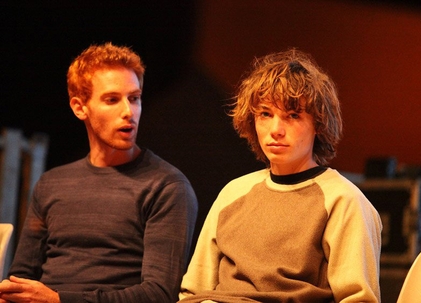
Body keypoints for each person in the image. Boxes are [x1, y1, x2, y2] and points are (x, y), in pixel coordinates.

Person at [0, 42, 198, 303]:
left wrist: (59, 301)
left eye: (134, 98)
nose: (128, 112)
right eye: (112, 100)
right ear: (80, 107)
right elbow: (22, 276)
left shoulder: (167, 186)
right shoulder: (52, 184)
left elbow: (159, 294)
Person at [178, 49, 382, 302]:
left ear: (318, 124)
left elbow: (358, 299)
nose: (276, 130)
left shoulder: (343, 200)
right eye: (265, 114)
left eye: (293, 115)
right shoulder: (233, 193)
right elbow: (193, 291)